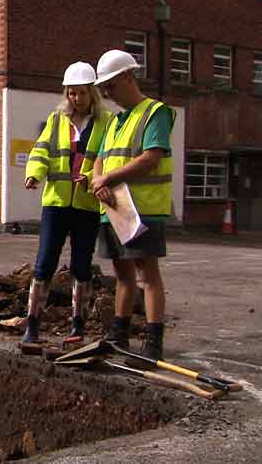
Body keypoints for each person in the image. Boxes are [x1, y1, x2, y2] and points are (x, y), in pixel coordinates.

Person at [88, 49, 175, 364]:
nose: (107, 93)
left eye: (110, 85)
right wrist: (99, 182)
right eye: (103, 88)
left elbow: (151, 158)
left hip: (143, 210)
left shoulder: (155, 113)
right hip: (114, 210)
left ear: (128, 76)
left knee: (147, 274)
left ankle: (152, 344)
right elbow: (99, 159)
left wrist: (107, 178)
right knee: (122, 274)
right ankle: (119, 334)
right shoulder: (113, 122)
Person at [21, 62, 112, 344]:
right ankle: (32, 325)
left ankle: (77, 327)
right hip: (56, 203)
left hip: (87, 205)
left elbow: (109, 157)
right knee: (44, 263)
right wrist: (34, 173)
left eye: (82, 93)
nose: (76, 99)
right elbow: (41, 150)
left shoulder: (107, 122)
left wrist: (93, 178)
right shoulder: (56, 120)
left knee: (81, 266)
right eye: (71, 93)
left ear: (92, 94)